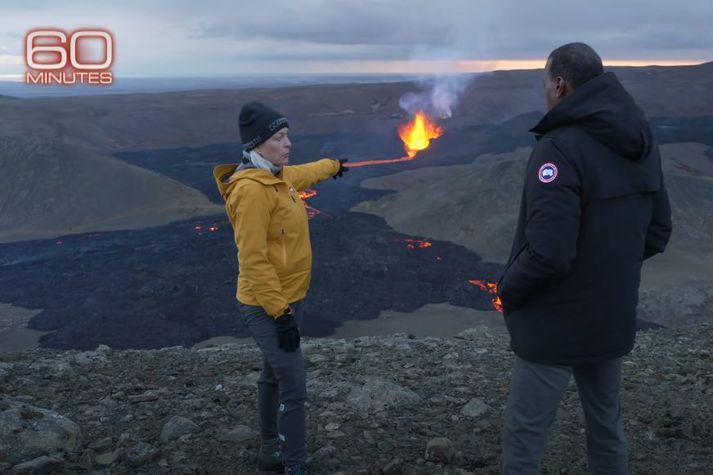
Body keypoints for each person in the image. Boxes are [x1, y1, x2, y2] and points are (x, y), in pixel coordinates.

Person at [497, 43, 672, 474]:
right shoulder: (640, 141)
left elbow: (550, 254)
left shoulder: (559, 149)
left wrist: (508, 290)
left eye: (545, 82)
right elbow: (658, 231)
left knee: (525, 436)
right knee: (607, 427)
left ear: (560, 84)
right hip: (610, 316)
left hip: (554, 326)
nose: (544, 92)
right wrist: (609, 271)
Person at [213, 101, 348, 475]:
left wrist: (332, 166)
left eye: (287, 135)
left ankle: (271, 450)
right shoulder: (251, 191)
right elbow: (253, 260)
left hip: (291, 296)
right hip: (266, 304)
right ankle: (294, 463)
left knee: (273, 374)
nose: (288, 143)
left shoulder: (276, 176)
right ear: (258, 144)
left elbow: (302, 173)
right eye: (279, 137)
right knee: (293, 380)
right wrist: (280, 314)